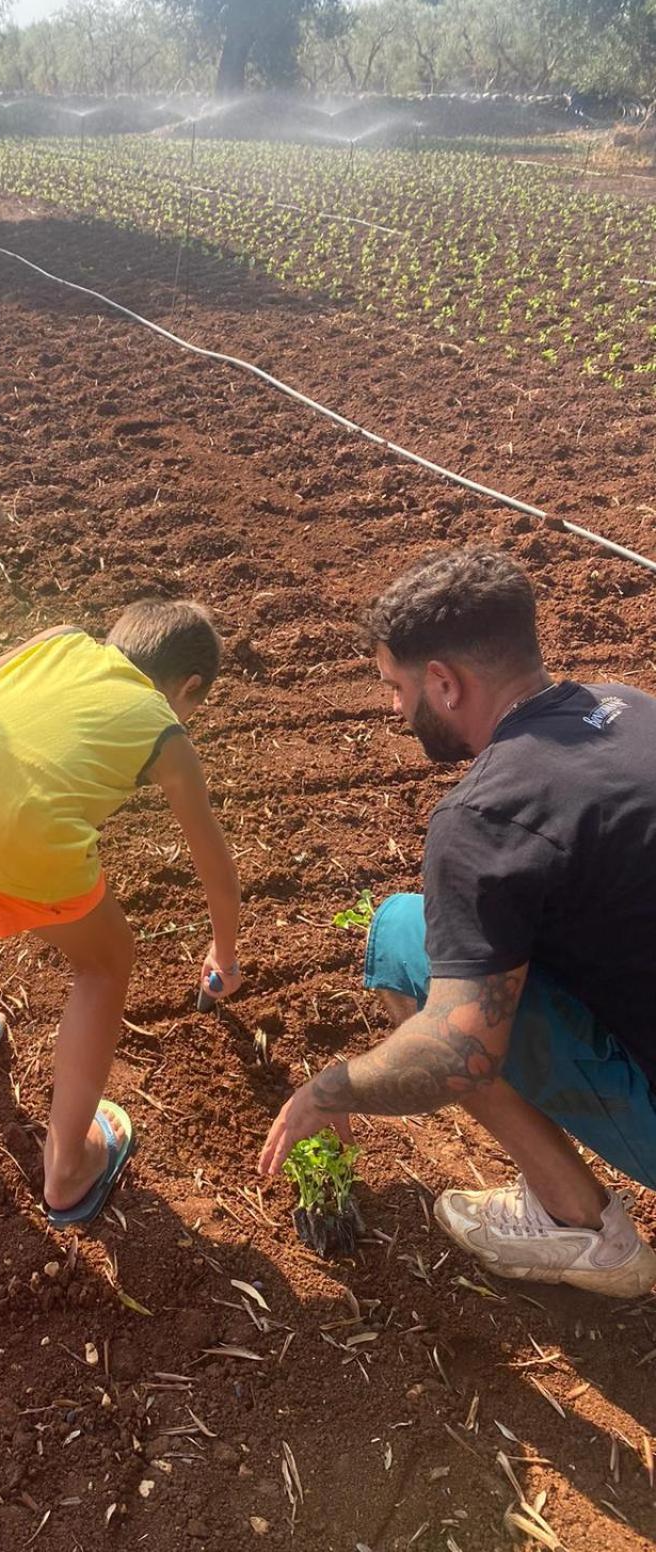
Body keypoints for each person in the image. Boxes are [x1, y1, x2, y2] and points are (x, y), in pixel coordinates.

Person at [260, 549, 656, 1299]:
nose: (394, 708)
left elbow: (458, 1056)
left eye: (396, 687)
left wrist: (327, 1090)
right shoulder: (629, 705)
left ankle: (580, 1228)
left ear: (444, 682)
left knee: (406, 938)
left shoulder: (483, 819)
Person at [0, 603, 243, 1227]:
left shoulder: (62, 640)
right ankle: (68, 1167)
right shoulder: (164, 727)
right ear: (188, 689)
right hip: (19, 828)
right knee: (105, 965)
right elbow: (212, 856)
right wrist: (225, 954)